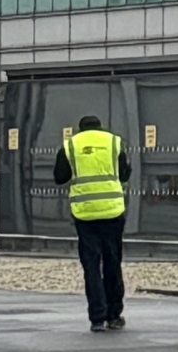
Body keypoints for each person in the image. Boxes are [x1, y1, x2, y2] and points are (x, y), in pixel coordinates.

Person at [55, 109, 131, 330]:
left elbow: (60, 177)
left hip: (85, 213)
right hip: (112, 211)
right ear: (99, 127)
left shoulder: (71, 145)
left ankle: (97, 317)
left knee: (91, 265)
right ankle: (114, 315)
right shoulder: (114, 143)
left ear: (81, 129)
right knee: (112, 262)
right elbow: (124, 174)